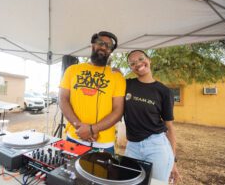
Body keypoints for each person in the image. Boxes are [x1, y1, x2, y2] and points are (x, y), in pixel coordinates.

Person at [59, 31, 126, 154]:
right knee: (68, 173)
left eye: (108, 46)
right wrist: (79, 127)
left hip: (104, 143)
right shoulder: (72, 70)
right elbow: (63, 99)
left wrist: (92, 129)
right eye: (101, 43)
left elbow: (118, 110)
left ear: (110, 51)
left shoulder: (117, 76)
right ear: (92, 45)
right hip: (74, 137)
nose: (104, 47)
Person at [124, 50, 180, 184]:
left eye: (141, 59)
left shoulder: (164, 91)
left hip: (156, 145)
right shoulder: (127, 85)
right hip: (132, 146)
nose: (137, 63)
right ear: (131, 68)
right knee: (128, 181)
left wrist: (172, 161)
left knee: (156, 183)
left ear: (149, 60)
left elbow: (169, 127)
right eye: (132, 63)